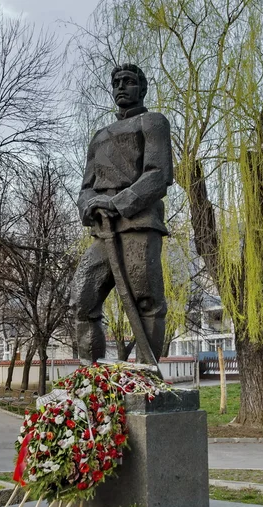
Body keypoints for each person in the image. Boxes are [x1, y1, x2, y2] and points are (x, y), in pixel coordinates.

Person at [70, 63, 173, 364]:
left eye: (128, 82)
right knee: (82, 298)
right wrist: (89, 205)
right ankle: (91, 376)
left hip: (139, 222)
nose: (121, 87)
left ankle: (146, 377)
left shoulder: (153, 122)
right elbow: (86, 186)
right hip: (103, 230)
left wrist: (119, 203)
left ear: (142, 88)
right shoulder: (99, 135)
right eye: (116, 82)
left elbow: (158, 174)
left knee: (146, 299)